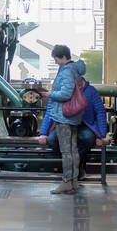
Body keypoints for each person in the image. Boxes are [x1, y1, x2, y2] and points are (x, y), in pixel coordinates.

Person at [38, 68, 106, 181]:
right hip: (63, 124)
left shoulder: (91, 91)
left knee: (88, 138)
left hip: (84, 125)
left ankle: (75, 167)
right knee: (52, 140)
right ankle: (75, 166)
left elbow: (100, 112)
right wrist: (43, 133)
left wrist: (101, 135)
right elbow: (50, 111)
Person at [42, 45, 85, 195]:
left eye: (55, 58)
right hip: (73, 116)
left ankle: (67, 182)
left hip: (64, 116)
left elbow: (66, 94)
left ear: (61, 57)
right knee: (73, 150)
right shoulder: (75, 69)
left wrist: (50, 94)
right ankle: (73, 182)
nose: (55, 61)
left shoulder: (67, 71)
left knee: (66, 151)